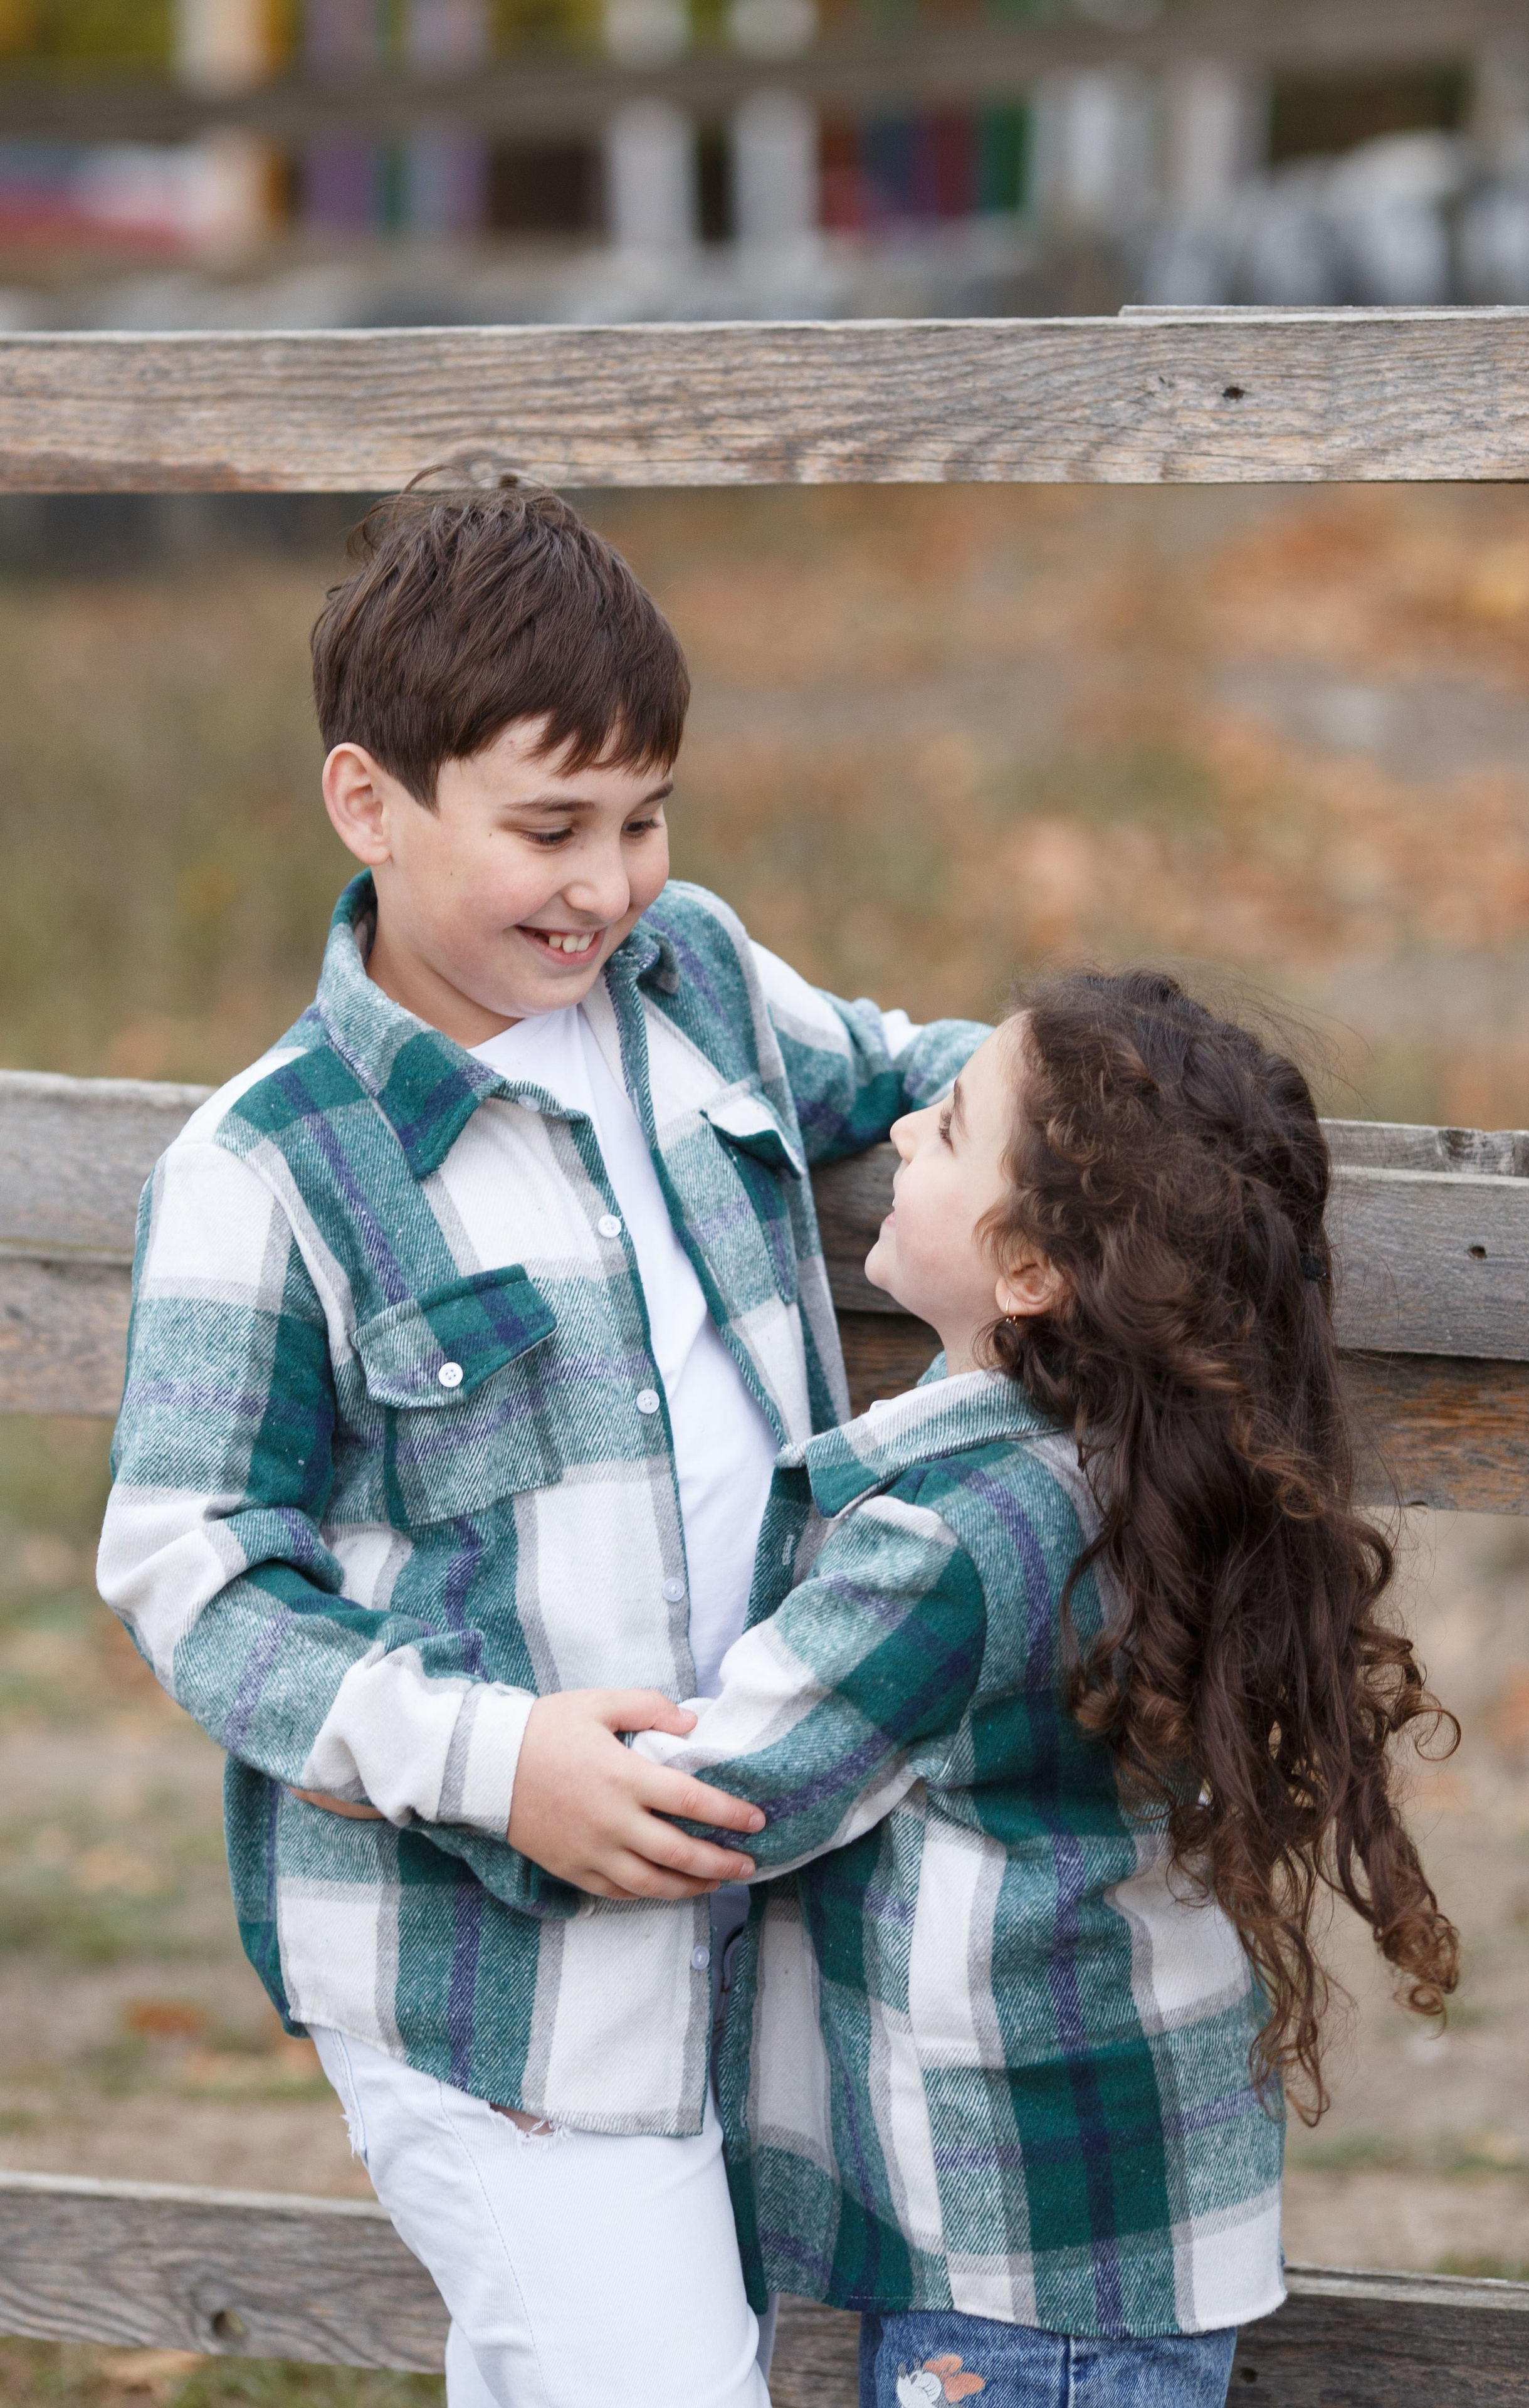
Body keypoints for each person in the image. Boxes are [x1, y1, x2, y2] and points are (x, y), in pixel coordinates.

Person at [95, 478, 989, 2408]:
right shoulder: (273, 1167)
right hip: (480, 1967)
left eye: (646, 818)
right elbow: (196, 1580)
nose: (609, 882)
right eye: (549, 829)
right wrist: (496, 1765)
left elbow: (919, 1070)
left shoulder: (701, 992)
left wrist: (1101, 1104)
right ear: (371, 804)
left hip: (747, 1921)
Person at [631, 968, 1461, 2408]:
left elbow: (727, 1795)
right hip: (1109, 2223)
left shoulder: (947, 1541)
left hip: (1020, 2260)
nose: (897, 1137)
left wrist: (474, 1758)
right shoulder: (1121, 1472)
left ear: (1028, 1270)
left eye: (944, 1131)